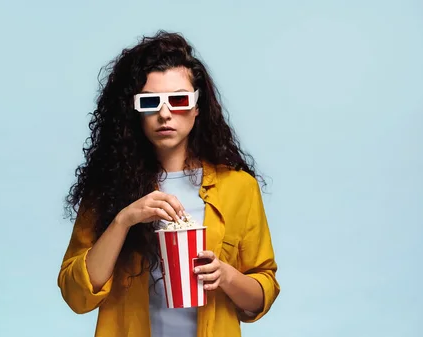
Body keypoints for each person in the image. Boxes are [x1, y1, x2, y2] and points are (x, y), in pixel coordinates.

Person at [57, 30, 280, 337]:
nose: (165, 113)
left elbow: (261, 296)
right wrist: (124, 220)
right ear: (134, 111)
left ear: (198, 106)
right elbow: (75, 295)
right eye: (150, 101)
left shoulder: (238, 187)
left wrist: (226, 276)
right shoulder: (109, 188)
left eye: (178, 99)